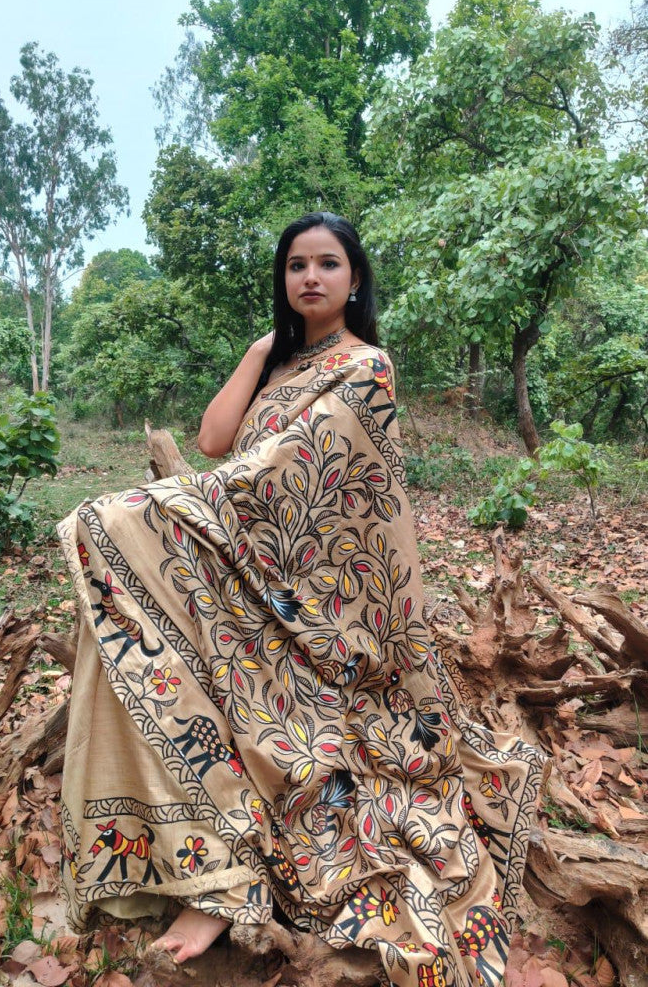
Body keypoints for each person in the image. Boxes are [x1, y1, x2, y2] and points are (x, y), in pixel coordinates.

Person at [58, 212, 545, 987]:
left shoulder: (367, 369)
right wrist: (260, 350)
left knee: (115, 527)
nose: (310, 278)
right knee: (124, 592)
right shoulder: (278, 363)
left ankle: (225, 876)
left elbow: (294, 483)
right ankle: (175, 846)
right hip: (249, 563)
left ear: (354, 279)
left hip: (319, 597)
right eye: (295, 266)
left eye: (327, 264)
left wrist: (182, 513)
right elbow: (217, 442)